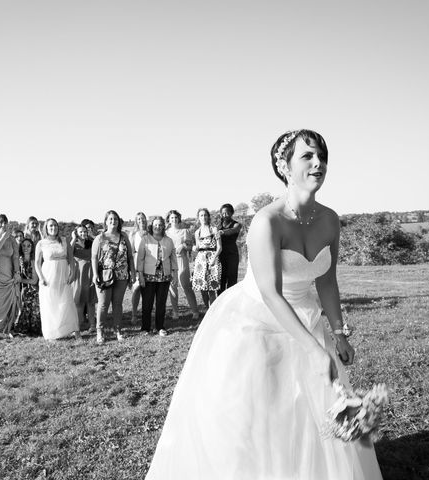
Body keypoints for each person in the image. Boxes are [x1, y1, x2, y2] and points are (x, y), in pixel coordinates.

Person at [146, 130, 383, 480]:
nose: (319, 163)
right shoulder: (267, 222)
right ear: (284, 167)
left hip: (307, 316)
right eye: (308, 156)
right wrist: (315, 350)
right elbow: (270, 293)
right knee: (259, 412)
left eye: (322, 156)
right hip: (255, 322)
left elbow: (327, 280)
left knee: (306, 412)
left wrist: (338, 332)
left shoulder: (330, 219)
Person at [91, 210, 135, 344]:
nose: (113, 221)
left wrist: (132, 272)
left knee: (117, 304)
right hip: (104, 276)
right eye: (110, 219)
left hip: (121, 275)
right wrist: (94, 274)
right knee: (103, 304)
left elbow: (130, 257)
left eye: (115, 219)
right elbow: (93, 258)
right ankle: (100, 331)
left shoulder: (124, 236)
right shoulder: (100, 238)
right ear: (105, 221)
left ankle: (118, 330)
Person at [35, 218, 80, 340]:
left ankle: (74, 330)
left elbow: (71, 259)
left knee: (67, 302)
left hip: (63, 275)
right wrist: (41, 277)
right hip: (48, 276)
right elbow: (37, 263)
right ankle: (52, 333)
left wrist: (72, 273)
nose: (53, 228)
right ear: (46, 228)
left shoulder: (64, 241)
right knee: (50, 304)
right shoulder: (41, 243)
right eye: (50, 226)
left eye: (55, 225)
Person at [136, 216, 178, 336]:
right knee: (147, 303)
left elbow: (173, 257)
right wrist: (140, 275)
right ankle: (145, 328)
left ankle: (160, 327)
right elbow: (140, 259)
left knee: (161, 303)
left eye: (160, 225)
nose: (157, 227)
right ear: (151, 226)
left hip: (164, 277)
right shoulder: (145, 239)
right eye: (155, 225)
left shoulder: (168, 240)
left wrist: (174, 273)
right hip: (148, 276)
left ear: (163, 226)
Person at [166, 210, 200, 320]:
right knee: (172, 287)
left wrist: (183, 245)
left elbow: (190, 247)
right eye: (172, 218)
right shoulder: (166, 233)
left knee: (186, 286)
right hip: (170, 262)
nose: (174, 219)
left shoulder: (185, 231)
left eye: (175, 217)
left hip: (182, 260)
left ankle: (195, 311)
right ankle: (175, 313)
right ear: (169, 219)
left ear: (179, 218)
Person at [191, 208, 222, 308]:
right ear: (198, 218)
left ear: (208, 217)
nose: (203, 217)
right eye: (201, 215)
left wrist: (214, 259)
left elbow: (220, 247)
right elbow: (198, 247)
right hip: (201, 261)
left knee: (212, 287)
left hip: (213, 259)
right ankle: (207, 309)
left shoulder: (214, 229)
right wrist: (194, 248)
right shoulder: (197, 232)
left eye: (205, 215)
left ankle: (212, 310)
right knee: (202, 287)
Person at [71, 224, 97, 333]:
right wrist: (73, 238)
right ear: (76, 233)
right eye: (81, 232)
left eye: (85, 231)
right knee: (79, 301)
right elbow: (69, 251)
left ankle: (92, 325)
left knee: (90, 301)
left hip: (90, 272)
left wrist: (92, 235)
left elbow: (101, 243)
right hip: (79, 274)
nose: (83, 234)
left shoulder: (91, 242)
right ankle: (78, 324)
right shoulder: (74, 244)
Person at [14, 237, 41, 336]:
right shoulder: (19, 259)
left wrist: (21, 280)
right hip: (25, 289)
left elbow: (34, 280)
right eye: (24, 245)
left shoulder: (34, 260)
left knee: (34, 311)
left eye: (29, 246)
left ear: (32, 247)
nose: (26, 248)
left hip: (35, 289)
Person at [217, 203, 242, 294]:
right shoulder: (218, 226)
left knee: (232, 279)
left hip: (232, 255)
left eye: (227, 213)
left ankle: (231, 301)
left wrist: (222, 232)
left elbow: (233, 230)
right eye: (223, 213)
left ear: (232, 213)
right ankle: (219, 301)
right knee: (221, 279)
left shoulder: (237, 225)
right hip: (221, 255)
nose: (225, 215)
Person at [129, 212, 148, 323]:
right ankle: (134, 314)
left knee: (148, 290)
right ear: (136, 221)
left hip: (149, 262)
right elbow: (130, 252)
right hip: (137, 262)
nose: (141, 221)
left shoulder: (150, 232)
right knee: (136, 289)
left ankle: (148, 313)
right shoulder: (133, 234)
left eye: (143, 218)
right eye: (139, 219)